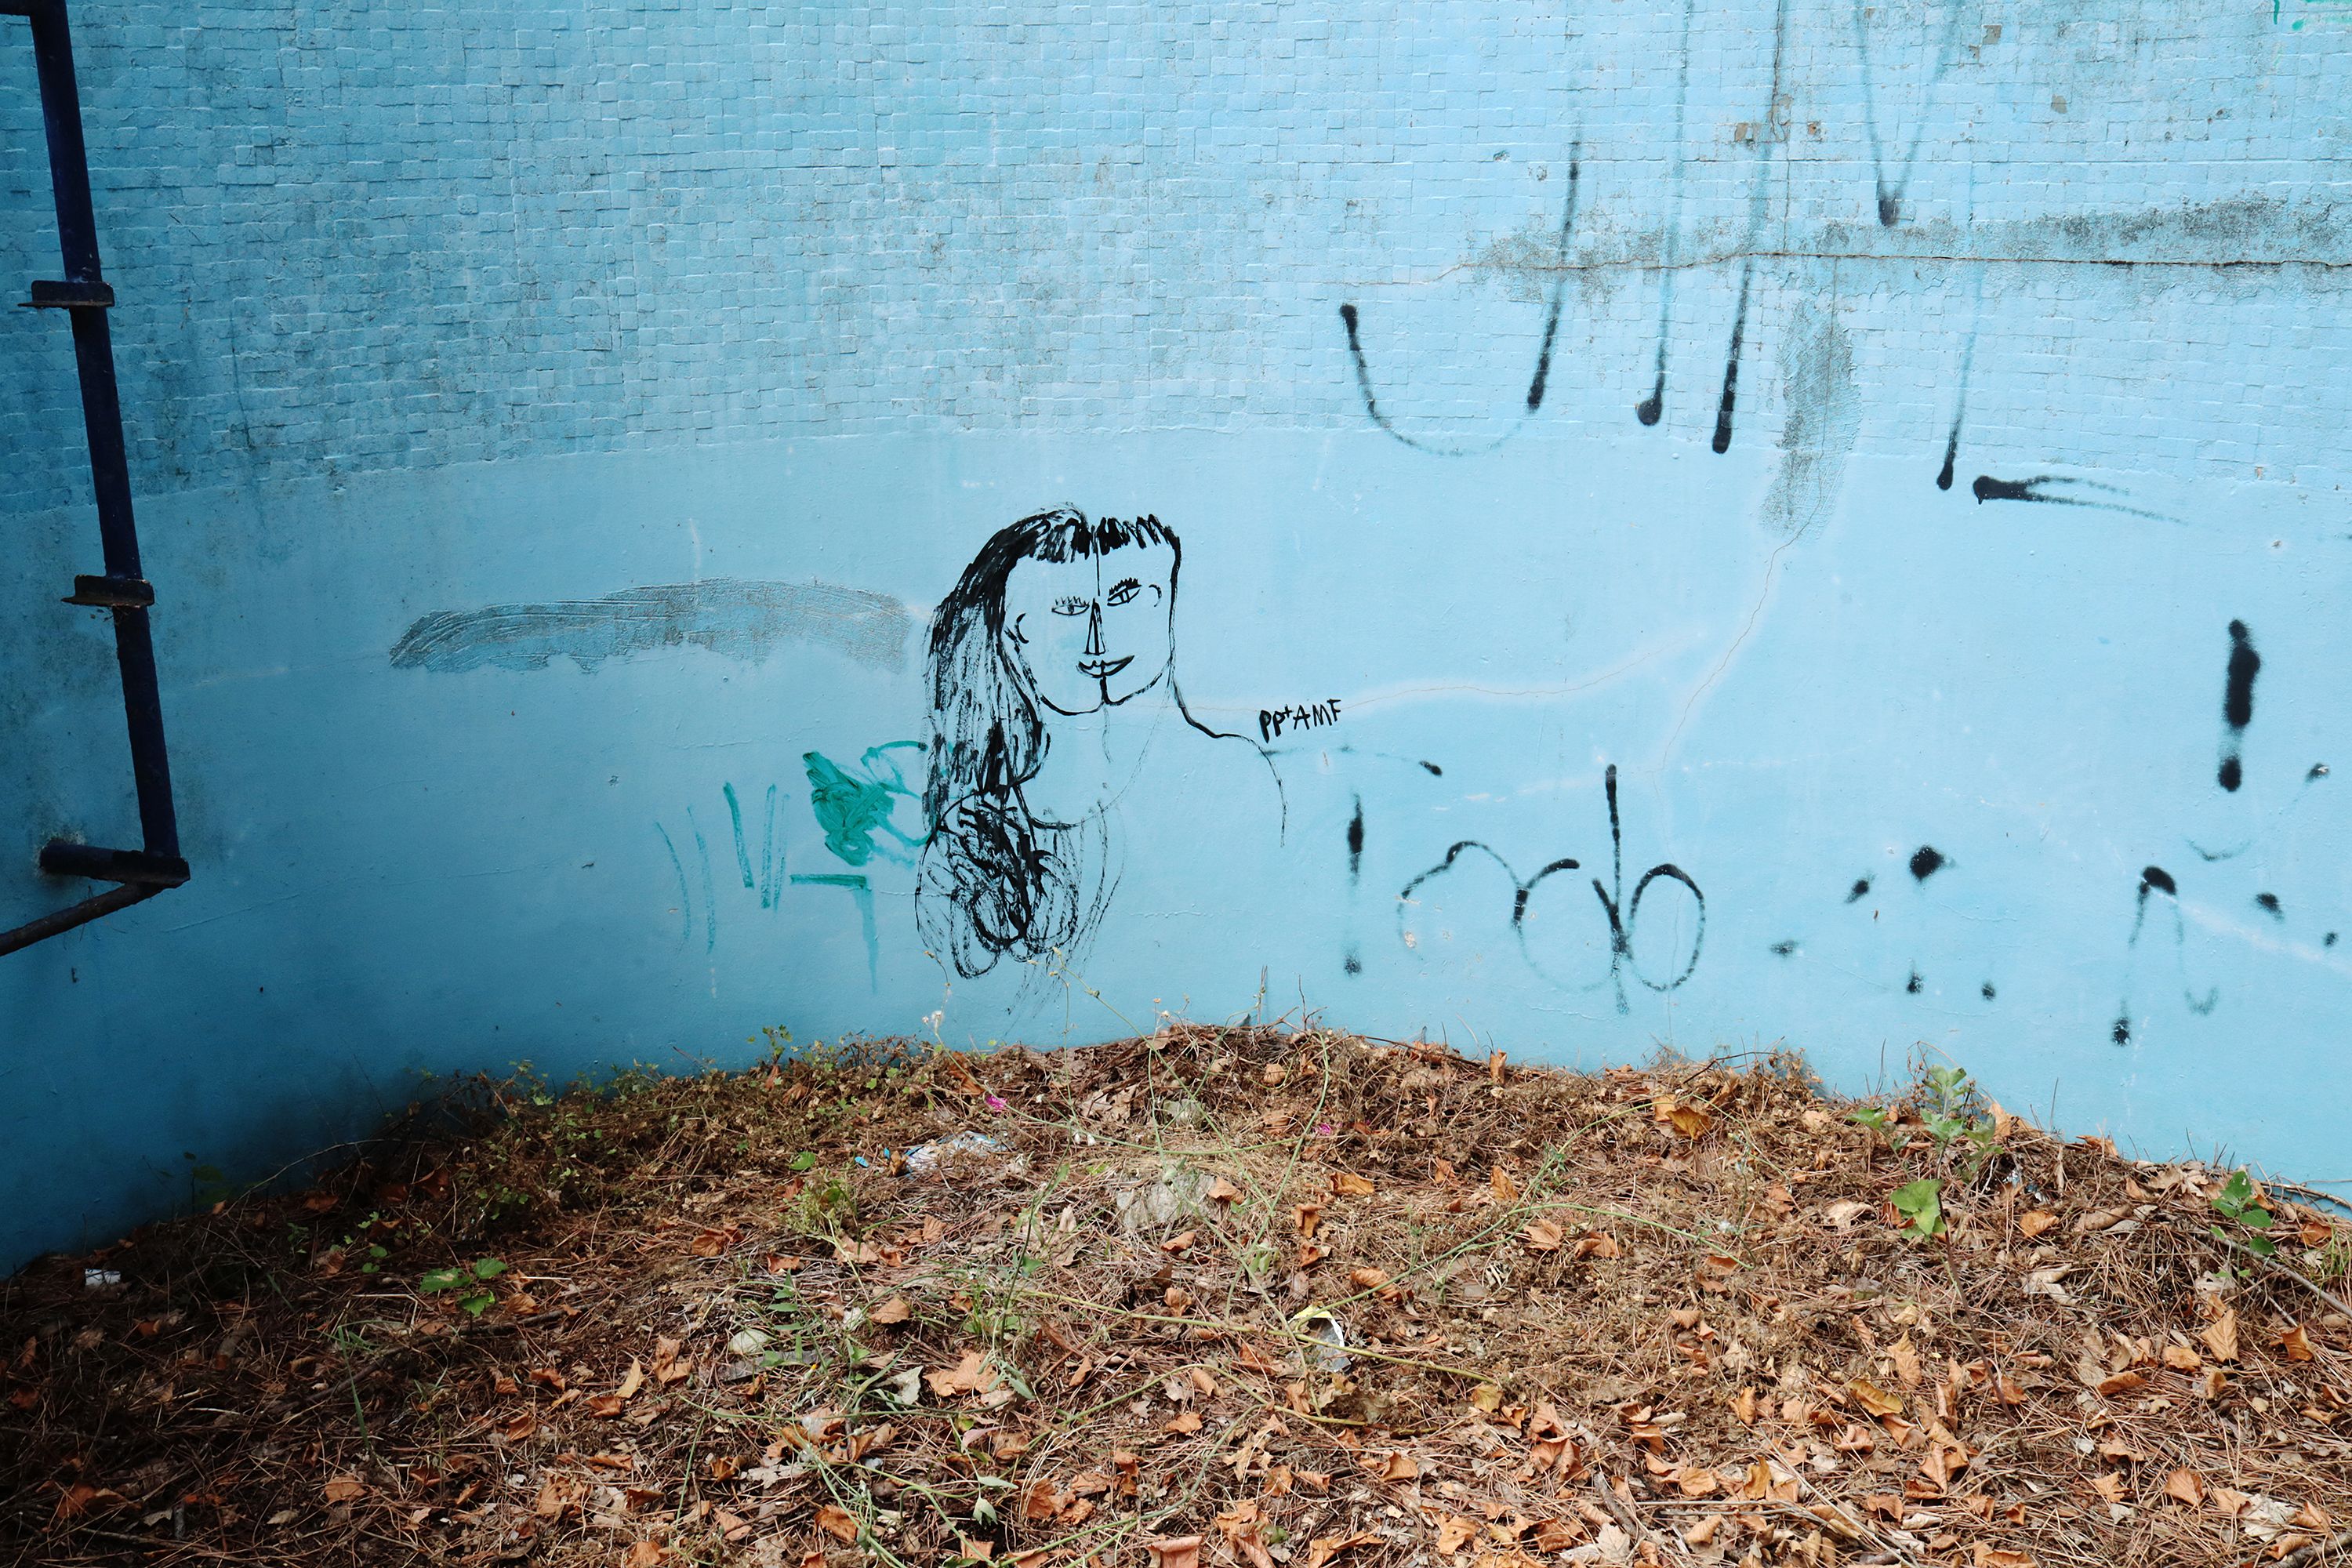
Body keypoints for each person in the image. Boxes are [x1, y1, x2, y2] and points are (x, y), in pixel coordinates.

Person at [917, 506, 1281, 980]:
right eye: (1068, 608)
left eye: (1124, 597)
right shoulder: (972, 835)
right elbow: (957, 988)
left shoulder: (1234, 776)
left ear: (1168, 600)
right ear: (1017, 632)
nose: (1098, 638)